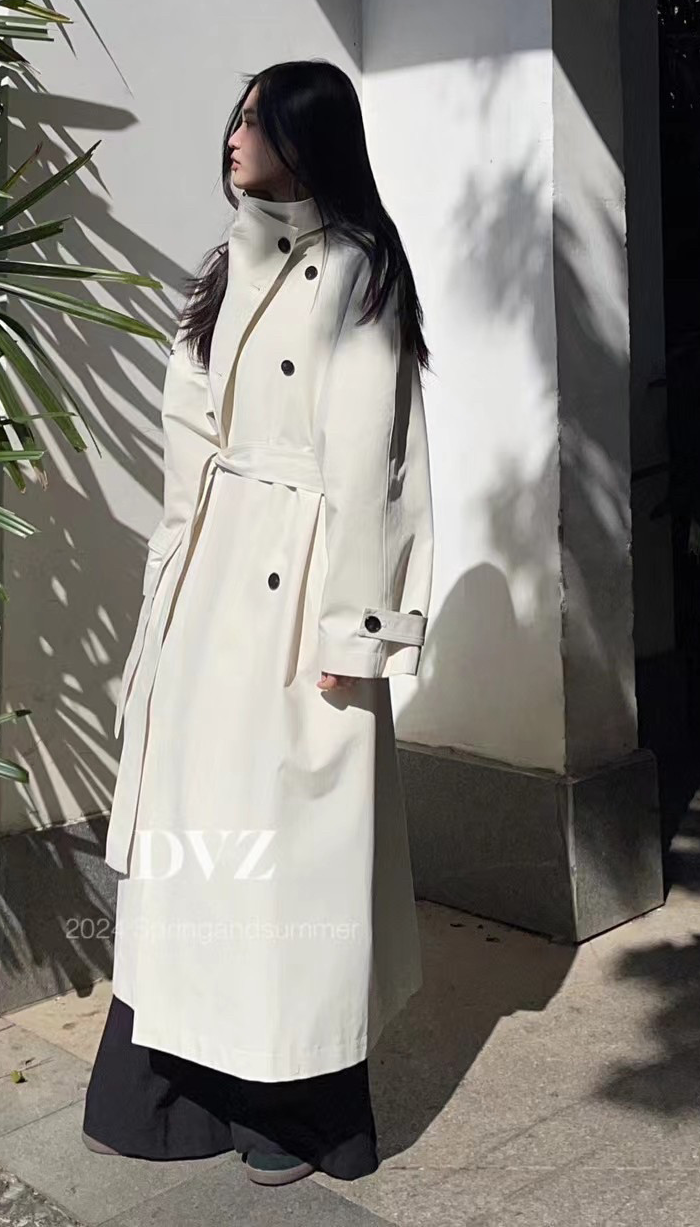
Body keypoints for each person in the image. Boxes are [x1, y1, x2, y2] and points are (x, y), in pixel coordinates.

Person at [82, 58, 433, 1188]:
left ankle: (296, 1109)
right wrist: (166, 584)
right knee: (196, 849)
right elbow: (188, 440)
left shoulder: (359, 270)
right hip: (211, 578)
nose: (234, 135)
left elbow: (375, 468)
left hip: (297, 587)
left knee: (283, 861)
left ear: (307, 135)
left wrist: (354, 635)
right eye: (234, 116)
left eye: (257, 119)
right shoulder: (225, 263)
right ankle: (172, 1092)